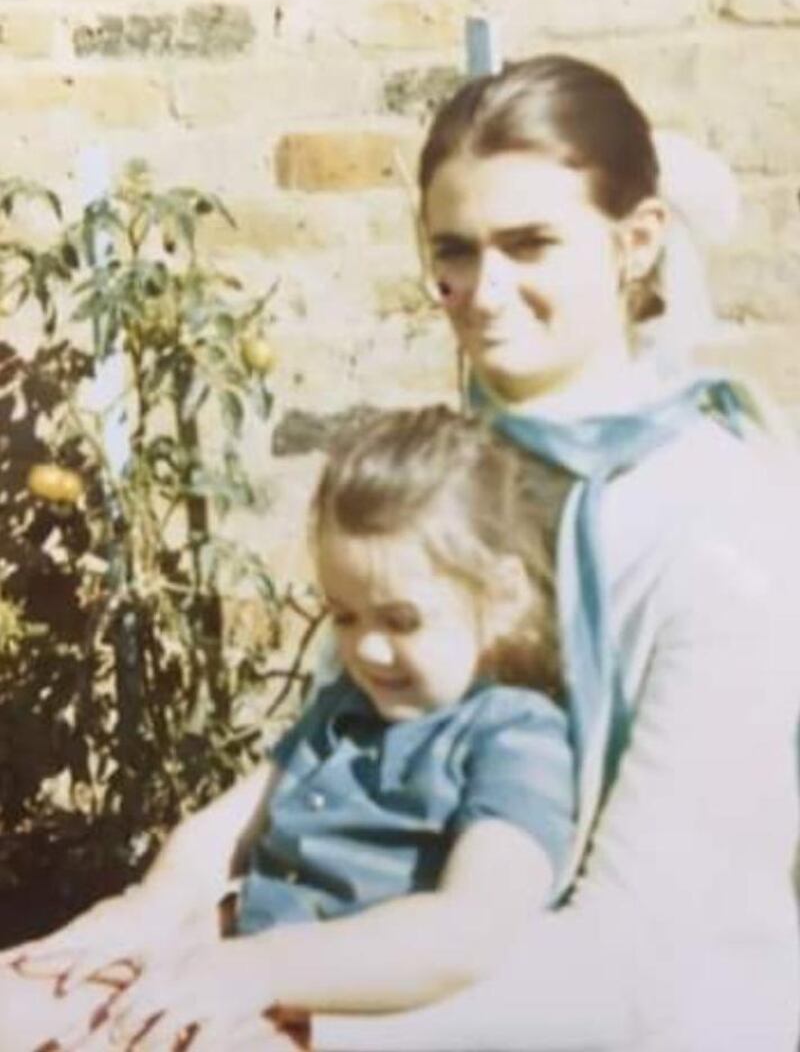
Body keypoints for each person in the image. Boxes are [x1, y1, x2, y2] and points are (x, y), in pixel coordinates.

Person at [298, 54, 800, 1051]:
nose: (485, 294)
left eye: (530, 245)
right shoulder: (444, 488)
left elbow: (642, 958)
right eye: (456, 252)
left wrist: (289, 1021)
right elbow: (339, 774)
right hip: (398, 973)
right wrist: (167, 925)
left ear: (635, 241)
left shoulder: (720, 520)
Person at [0, 406, 575, 1050]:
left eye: (401, 620)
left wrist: (263, 968)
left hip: (341, 1011)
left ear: (501, 598)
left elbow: (469, 931)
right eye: (345, 617)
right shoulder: (346, 711)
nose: (368, 649)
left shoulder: (515, 739)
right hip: (229, 963)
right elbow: (224, 829)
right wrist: (147, 911)